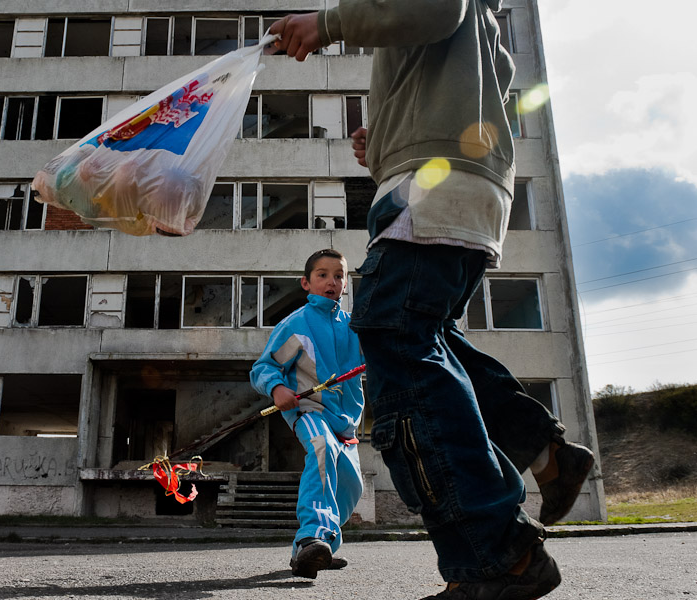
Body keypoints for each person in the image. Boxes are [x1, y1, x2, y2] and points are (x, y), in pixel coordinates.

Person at [269, 3, 595, 599]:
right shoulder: (483, 23)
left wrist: (329, 22)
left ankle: (498, 556)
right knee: (426, 337)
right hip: (448, 182)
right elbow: (453, 70)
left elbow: (433, 6)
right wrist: (388, 137)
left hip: (431, 188)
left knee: (398, 343)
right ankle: (542, 452)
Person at [250, 248, 364, 579]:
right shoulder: (296, 324)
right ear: (306, 282)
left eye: (339, 276)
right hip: (309, 409)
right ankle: (310, 538)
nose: (332, 281)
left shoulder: (355, 327)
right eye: (323, 275)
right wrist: (276, 388)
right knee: (321, 449)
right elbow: (264, 367)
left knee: (350, 486)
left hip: (347, 421)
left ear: (345, 283)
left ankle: (318, 546)